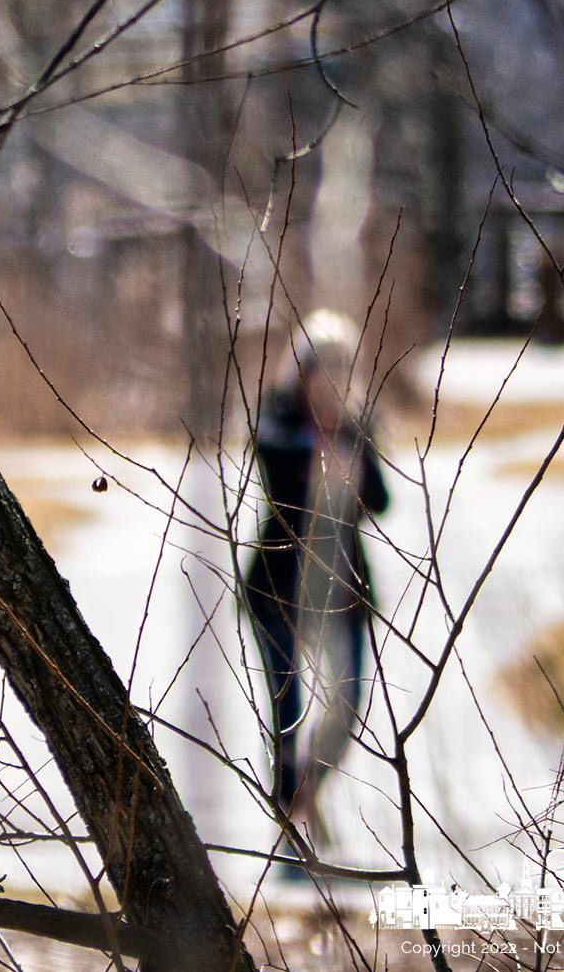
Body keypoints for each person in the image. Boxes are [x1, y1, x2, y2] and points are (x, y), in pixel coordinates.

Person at [243, 311, 390, 834]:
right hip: (279, 589)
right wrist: (318, 460)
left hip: (341, 589)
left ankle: (306, 790)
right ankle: (288, 813)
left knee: (347, 704)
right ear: (299, 372)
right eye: (319, 369)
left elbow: (380, 501)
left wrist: (355, 462)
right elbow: (278, 491)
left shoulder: (356, 426)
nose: (328, 380)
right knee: (289, 709)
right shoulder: (277, 423)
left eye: (339, 368)